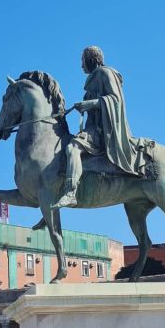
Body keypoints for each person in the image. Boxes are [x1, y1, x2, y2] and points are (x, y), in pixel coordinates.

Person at [53, 45, 141, 208]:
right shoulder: (94, 78)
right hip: (94, 128)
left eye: (83, 60)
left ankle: (70, 192)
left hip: (104, 130)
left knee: (72, 148)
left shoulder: (105, 73)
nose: (81, 65)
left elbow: (115, 100)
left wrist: (90, 104)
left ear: (91, 60)